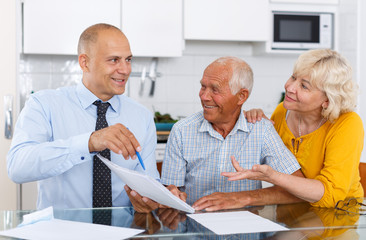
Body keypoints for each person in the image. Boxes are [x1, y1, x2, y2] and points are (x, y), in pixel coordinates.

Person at [7, 23, 159, 212]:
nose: (125, 69)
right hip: (61, 232)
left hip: (122, 232)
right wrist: (89, 142)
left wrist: (150, 199)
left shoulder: (142, 116)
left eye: (128, 59)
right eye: (114, 60)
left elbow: (148, 180)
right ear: (84, 62)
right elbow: (17, 167)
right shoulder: (44, 104)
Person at [222, 49, 364, 208]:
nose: (289, 87)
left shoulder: (348, 123)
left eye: (304, 86)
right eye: (293, 77)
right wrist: (256, 123)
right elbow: (267, 153)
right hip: (291, 210)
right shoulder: (282, 111)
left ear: (327, 100)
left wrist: (273, 177)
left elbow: (331, 195)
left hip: (339, 216)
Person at [161, 56, 304, 212]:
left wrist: (241, 198)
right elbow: (170, 190)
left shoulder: (261, 130)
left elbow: (299, 188)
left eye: (215, 89)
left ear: (241, 96)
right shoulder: (182, 131)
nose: (204, 96)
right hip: (195, 230)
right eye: (203, 87)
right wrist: (170, 194)